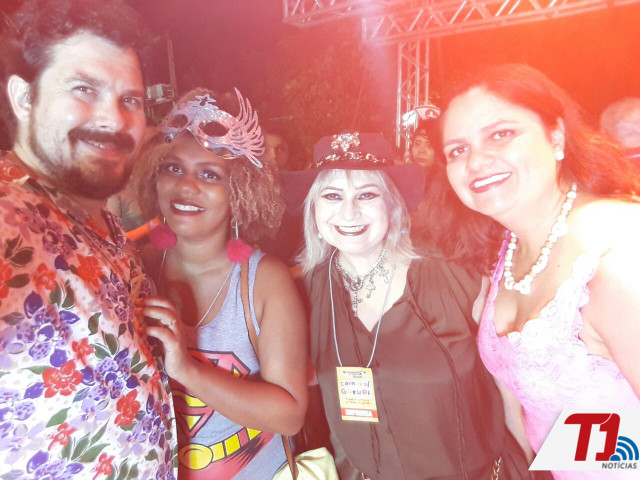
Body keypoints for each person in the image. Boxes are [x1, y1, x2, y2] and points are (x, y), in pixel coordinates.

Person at [281, 132, 529, 480]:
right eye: (332, 195)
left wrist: (528, 461)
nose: (348, 212)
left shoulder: (456, 276)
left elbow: (512, 384)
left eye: (367, 194)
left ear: (392, 204)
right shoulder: (301, 295)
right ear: (314, 210)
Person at [0, 1, 177, 479]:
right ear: (24, 97)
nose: (113, 120)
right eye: (84, 89)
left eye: (130, 100)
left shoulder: (103, 222)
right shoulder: (11, 215)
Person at [438, 63, 640, 479]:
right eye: (457, 150)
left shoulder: (617, 253)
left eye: (501, 134)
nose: (476, 160)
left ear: (557, 136)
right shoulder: (506, 248)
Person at [133, 88, 308, 479]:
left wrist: (187, 369)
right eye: (173, 168)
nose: (185, 186)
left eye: (209, 174)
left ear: (240, 191)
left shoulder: (264, 281)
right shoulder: (136, 269)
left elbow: (290, 415)